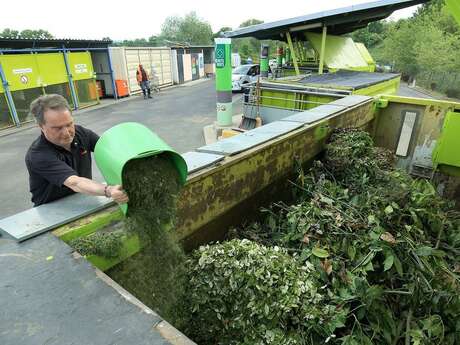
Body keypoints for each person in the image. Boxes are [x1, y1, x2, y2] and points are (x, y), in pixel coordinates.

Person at [25, 94, 129, 207]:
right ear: (41, 126)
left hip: (83, 197)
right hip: (51, 208)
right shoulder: (38, 155)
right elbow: (75, 182)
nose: (66, 133)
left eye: (69, 124)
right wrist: (108, 190)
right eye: (57, 128)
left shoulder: (82, 134)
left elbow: (110, 150)